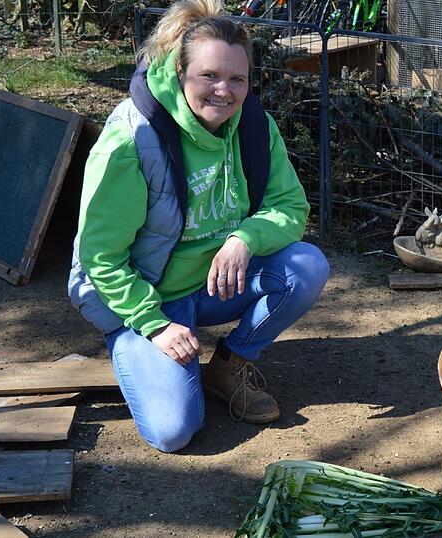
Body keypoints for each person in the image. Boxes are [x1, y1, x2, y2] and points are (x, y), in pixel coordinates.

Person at [67, 0, 329, 452]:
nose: (224, 91)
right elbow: (100, 257)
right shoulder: (132, 140)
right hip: (148, 296)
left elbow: (290, 206)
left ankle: (228, 364)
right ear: (180, 70)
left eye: (237, 79)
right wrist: (155, 324)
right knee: (173, 431)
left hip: (214, 285)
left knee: (306, 266)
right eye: (209, 76)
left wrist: (244, 239)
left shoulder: (253, 126)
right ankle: (135, 347)